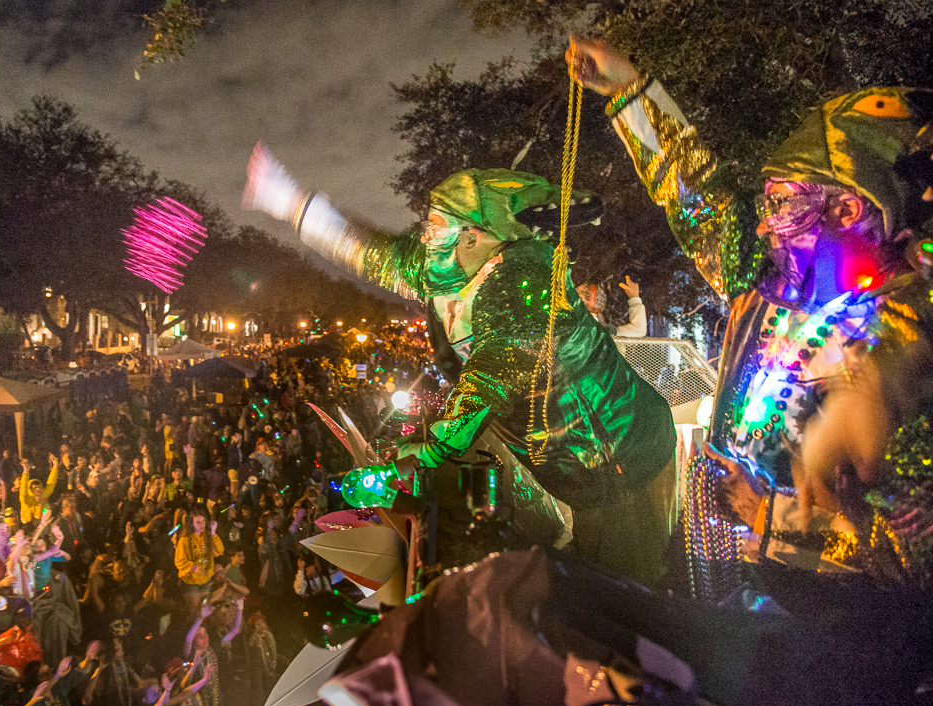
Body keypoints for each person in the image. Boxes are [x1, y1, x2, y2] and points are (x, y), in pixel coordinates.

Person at [568, 37, 933, 587]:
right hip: (712, 581)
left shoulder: (905, 330)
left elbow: (915, 560)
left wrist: (774, 519)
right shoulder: (764, 288)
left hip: (820, 637)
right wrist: (629, 90)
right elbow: (697, 197)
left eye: (781, 203)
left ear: (846, 209)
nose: (761, 225)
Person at [243, 144, 678, 585]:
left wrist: (422, 455)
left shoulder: (524, 276)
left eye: (435, 227)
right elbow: (370, 252)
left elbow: (489, 378)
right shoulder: (445, 265)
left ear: (474, 235)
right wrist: (292, 203)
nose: (424, 238)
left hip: (619, 458)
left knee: (622, 598)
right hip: (573, 467)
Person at [173, 511, 223, 618]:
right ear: (192, 523)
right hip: (190, 580)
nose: (201, 525)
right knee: (194, 610)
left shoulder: (208, 537)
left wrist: (214, 534)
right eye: (198, 522)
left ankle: (203, 631)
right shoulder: (184, 540)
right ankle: (192, 632)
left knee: (204, 607)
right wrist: (194, 567)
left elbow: (219, 552)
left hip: (205, 579)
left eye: (203, 521)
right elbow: (179, 561)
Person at [576, 276, 647, 337]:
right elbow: (639, 330)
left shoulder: (568, 331)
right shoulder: (605, 332)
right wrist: (634, 298)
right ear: (601, 308)